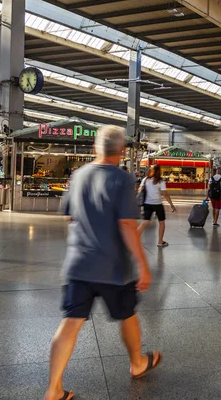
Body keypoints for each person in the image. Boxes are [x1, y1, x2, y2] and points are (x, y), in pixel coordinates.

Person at [44, 126, 160, 400]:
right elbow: (127, 225)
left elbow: (70, 218)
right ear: (121, 152)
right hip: (114, 268)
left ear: (96, 148)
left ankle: (53, 390)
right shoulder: (122, 179)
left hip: (79, 264)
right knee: (127, 315)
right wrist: (143, 265)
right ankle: (137, 363)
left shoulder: (78, 175)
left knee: (71, 322)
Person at [137, 164, 176, 248]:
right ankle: (160, 241)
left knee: (145, 222)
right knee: (161, 222)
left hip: (147, 204)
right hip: (157, 204)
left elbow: (139, 190)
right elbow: (165, 194)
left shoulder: (145, 179)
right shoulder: (160, 181)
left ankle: (134, 239)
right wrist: (171, 205)